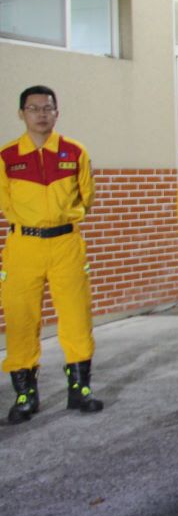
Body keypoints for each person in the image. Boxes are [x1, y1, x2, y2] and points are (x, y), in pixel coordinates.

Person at [1, 86, 102, 423]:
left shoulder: (74, 152)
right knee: (21, 319)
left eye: (47, 108)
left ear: (57, 112)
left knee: (76, 315)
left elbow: (85, 197)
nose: (41, 114)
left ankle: (80, 388)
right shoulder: (7, 156)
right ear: (21, 114)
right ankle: (25, 394)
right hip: (23, 246)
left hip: (66, 244)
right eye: (33, 108)